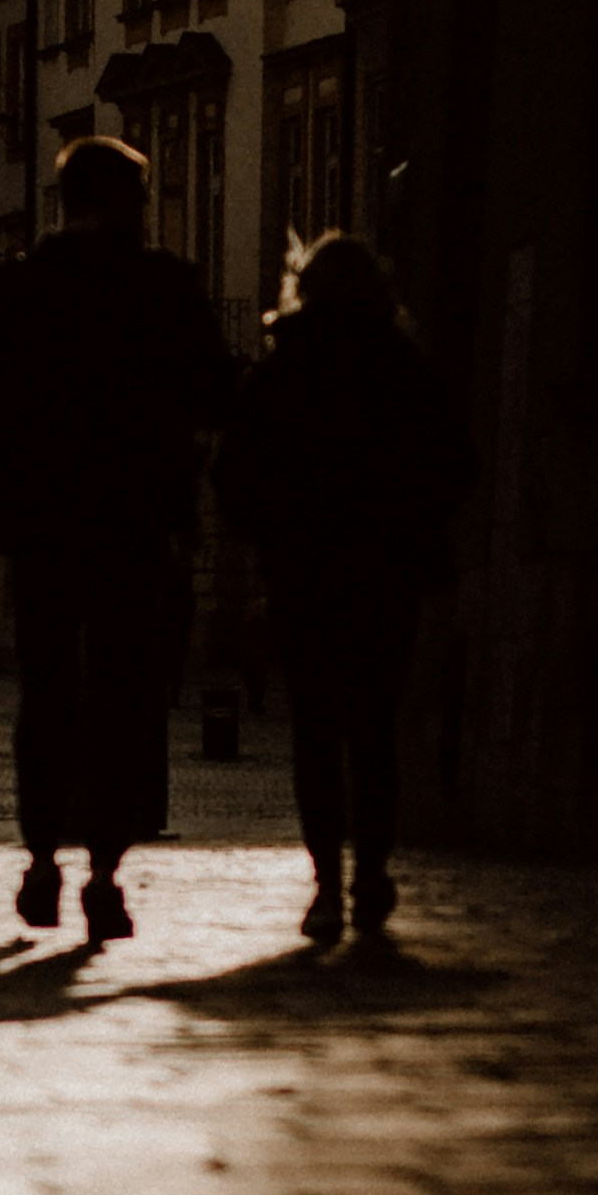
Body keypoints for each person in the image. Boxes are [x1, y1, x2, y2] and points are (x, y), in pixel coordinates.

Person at [0, 136, 235, 942]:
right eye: (143, 201)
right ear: (122, 202)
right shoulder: (162, 288)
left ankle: (41, 858)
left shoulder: (14, 289)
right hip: (132, 521)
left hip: (40, 520)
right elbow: (213, 395)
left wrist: (28, 447)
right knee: (122, 695)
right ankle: (105, 873)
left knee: (43, 691)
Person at [212, 234, 476, 945]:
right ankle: (373, 877)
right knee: (374, 730)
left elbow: (234, 476)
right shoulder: (404, 368)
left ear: (306, 291)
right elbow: (456, 459)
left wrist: (271, 535)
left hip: (304, 574)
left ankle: (326, 884)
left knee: (316, 734)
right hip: (386, 574)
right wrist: (411, 520)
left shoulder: (281, 371)